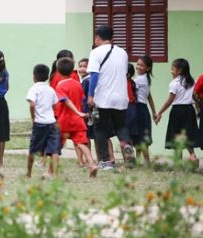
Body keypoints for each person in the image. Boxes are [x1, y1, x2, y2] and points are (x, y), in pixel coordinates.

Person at [87, 25, 135, 170]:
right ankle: (127, 147)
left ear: (97, 38)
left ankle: (106, 162)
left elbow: (94, 75)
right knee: (121, 126)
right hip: (121, 97)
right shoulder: (123, 53)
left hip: (103, 98)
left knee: (100, 128)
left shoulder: (95, 52)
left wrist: (90, 95)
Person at [55, 58, 98, 177]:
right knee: (81, 143)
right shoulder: (78, 84)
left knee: (55, 146)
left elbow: (65, 100)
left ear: (58, 71)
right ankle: (92, 164)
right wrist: (79, 113)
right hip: (78, 120)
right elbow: (82, 99)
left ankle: (51, 171)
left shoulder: (60, 86)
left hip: (64, 120)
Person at [154, 58, 200, 166]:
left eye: (172, 69)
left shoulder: (174, 83)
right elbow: (196, 97)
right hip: (189, 110)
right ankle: (193, 156)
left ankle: (178, 162)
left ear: (179, 70)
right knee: (187, 135)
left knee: (176, 136)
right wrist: (198, 110)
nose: (171, 71)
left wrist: (159, 112)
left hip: (177, 111)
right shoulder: (192, 81)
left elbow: (170, 100)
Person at [25, 64, 60, 179]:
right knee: (54, 149)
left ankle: (29, 173)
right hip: (51, 122)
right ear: (47, 77)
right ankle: (54, 174)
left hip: (39, 123)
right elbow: (55, 104)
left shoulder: (34, 89)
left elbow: (32, 104)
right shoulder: (50, 89)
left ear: (34, 77)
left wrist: (33, 117)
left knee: (33, 149)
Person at [134, 55, 156, 166]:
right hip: (144, 109)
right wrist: (154, 112)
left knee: (141, 136)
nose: (138, 66)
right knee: (140, 136)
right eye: (137, 64)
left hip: (139, 109)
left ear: (148, 68)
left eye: (141, 65)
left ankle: (147, 162)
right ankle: (138, 160)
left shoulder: (138, 80)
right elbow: (149, 97)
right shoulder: (146, 79)